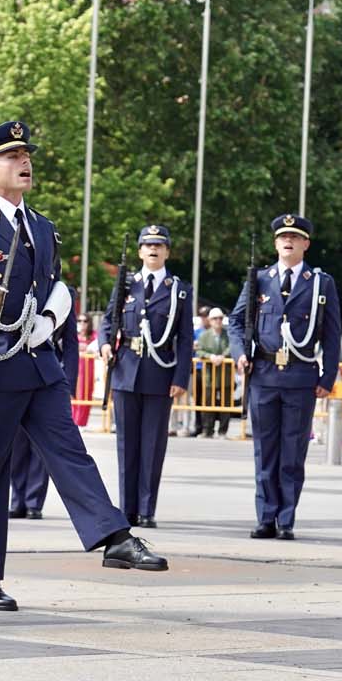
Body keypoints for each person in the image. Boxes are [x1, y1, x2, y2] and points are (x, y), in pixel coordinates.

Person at [0, 120, 167, 610]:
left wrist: (51, 319)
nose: (25, 162)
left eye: (26, 154)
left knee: (70, 451)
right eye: (13, 156)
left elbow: (57, 286)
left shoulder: (41, 227)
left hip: (39, 364)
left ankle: (113, 536)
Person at [227, 213, 341, 539]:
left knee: (292, 452)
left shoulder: (320, 283)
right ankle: (265, 517)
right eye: (281, 237)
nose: (287, 241)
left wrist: (327, 376)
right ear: (275, 242)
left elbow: (332, 334)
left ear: (306, 243)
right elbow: (236, 322)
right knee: (265, 450)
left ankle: (286, 519)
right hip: (263, 374)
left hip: (301, 375)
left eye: (294, 237)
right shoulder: (259, 280)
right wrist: (239, 353)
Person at [98, 226, 194, 527]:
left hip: (159, 373)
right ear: (140, 251)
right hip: (127, 370)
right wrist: (103, 342)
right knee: (126, 444)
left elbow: (185, 338)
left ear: (167, 251)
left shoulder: (178, 289)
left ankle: (146, 509)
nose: (153, 249)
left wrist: (180, 377)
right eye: (148, 244)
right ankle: (127, 509)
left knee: (152, 445)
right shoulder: (127, 284)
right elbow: (109, 319)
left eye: (159, 245)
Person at [9, 292, 80, 519]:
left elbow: (70, 344)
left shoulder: (61, 292)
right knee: (17, 444)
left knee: (41, 447)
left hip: (48, 375)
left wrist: (68, 383)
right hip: (17, 372)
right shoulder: (16, 284)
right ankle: (17, 499)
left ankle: (34, 502)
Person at [194, 307, 234, 437]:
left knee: (226, 404)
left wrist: (223, 356)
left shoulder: (229, 334)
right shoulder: (204, 335)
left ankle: (223, 431)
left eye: (220, 318)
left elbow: (232, 346)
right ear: (210, 321)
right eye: (215, 318)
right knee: (207, 403)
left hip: (226, 375)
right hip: (209, 375)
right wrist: (210, 356)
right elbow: (199, 350)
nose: (218, 321)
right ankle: (207, 430)